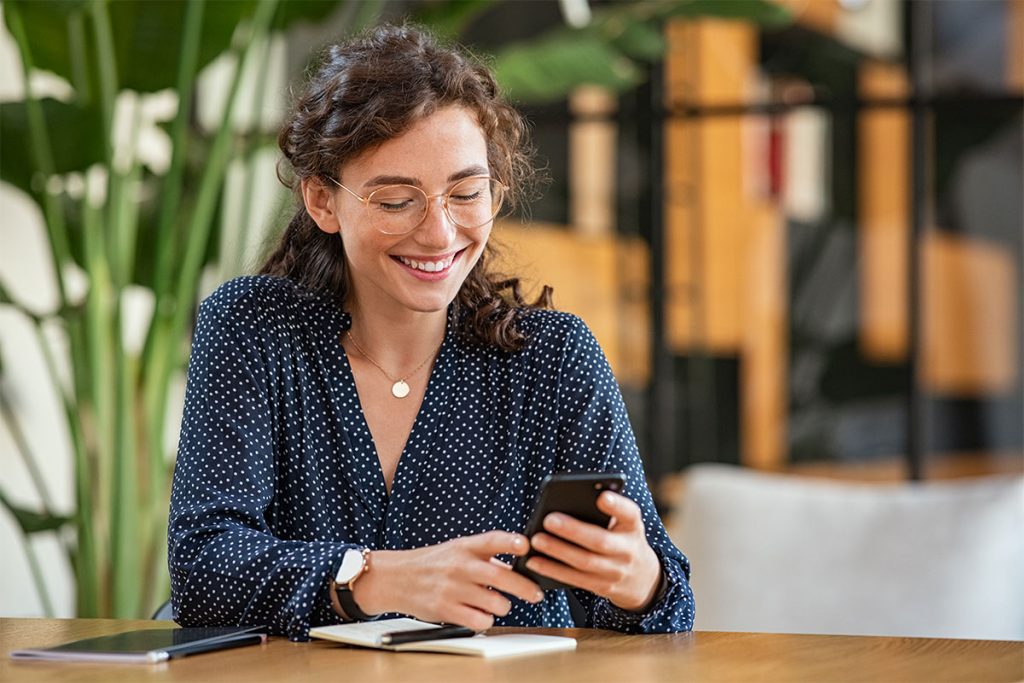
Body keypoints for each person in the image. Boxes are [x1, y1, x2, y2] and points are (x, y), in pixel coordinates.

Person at [168, 24, 695, 641]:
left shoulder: (552, 358)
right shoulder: (255, 329)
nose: (440, 234)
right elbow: (202, 569)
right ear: (322, 200)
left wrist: (638, 581)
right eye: (396, 201)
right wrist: (375, 578)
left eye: (466, 193)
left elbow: (671, 611)